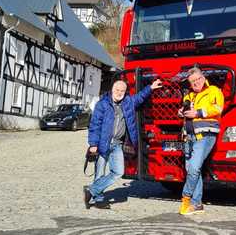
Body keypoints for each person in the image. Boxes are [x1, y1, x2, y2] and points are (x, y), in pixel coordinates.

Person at [84, 77, 162, 209]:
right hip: (103, 143)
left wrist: (151, 88)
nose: (119, 92)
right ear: (112, 90)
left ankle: (91, 190)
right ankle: (99, 199)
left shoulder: (128, 102)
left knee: (118, 172)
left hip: (118, 144)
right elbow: (95, 125)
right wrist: (93, 144)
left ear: (125, 92)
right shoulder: (102, 104)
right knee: (99, 173)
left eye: (122, 90)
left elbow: (140, 97)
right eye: (117, 90)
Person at [178, 66, 224, 215]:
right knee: (191, 169)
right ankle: (197, 204)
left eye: (198, 79)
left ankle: (186, 199)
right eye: (192, 81)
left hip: (205, 135)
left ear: (203, 78)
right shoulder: (188, 96)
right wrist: (181, 112)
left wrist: (197, 113)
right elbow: (185, 111)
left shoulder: (214, 91)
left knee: (193, 168)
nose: (196, 83)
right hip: (189, 136)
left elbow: (218, 108)